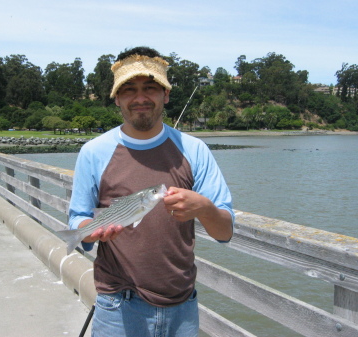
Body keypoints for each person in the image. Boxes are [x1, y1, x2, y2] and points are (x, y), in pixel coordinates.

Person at [68, 46, 234, 337]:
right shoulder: (93, 152)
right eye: (129, 89)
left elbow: (225, 233)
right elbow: (78, 217)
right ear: (116, 97)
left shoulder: (195, 150)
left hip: (182, 307)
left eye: (151, 88)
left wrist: (205, 208)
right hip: (118, 306)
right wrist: (91, 232)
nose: (140, 98)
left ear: (166, 94)